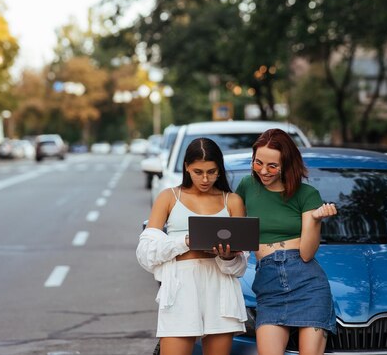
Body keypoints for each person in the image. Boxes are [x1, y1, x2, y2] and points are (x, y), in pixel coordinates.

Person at [136, 137, 248, 355]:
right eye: (198, 172)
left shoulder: (232, 201)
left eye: (212, 172)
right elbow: (145, 254)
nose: (205, 179)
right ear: (186, 167)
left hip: (221, 288)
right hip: (180, 287)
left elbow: (241, 266)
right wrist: (186, 241)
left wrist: (227, 257)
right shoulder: (169, 197)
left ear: (220, 170)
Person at [235, 128, 337, 355]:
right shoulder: (246, 187)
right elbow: (237, 234)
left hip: (307, 283)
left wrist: (314, 219)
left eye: (272, 166)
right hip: (268, 284)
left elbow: (307, 254)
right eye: (258, 163)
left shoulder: (307, 195)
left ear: (287, 164)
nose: (263, 171)